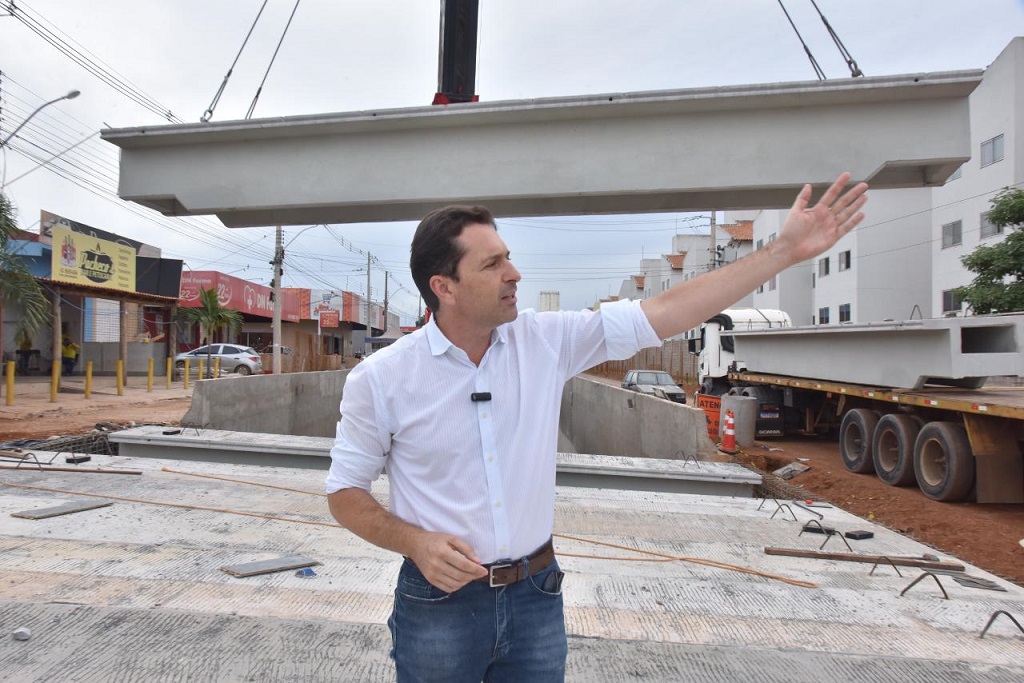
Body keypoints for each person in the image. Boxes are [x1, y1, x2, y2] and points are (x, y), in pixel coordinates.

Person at [326, 173, 868, 681]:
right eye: (492, 265)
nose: (514, 274)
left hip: (536, 595)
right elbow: (345, 493)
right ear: (444, 287)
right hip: (438, 605)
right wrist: (416, 543)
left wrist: (782, 252)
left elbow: (665, 311)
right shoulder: (382, 378)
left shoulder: (544, 341)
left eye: (508, 257)